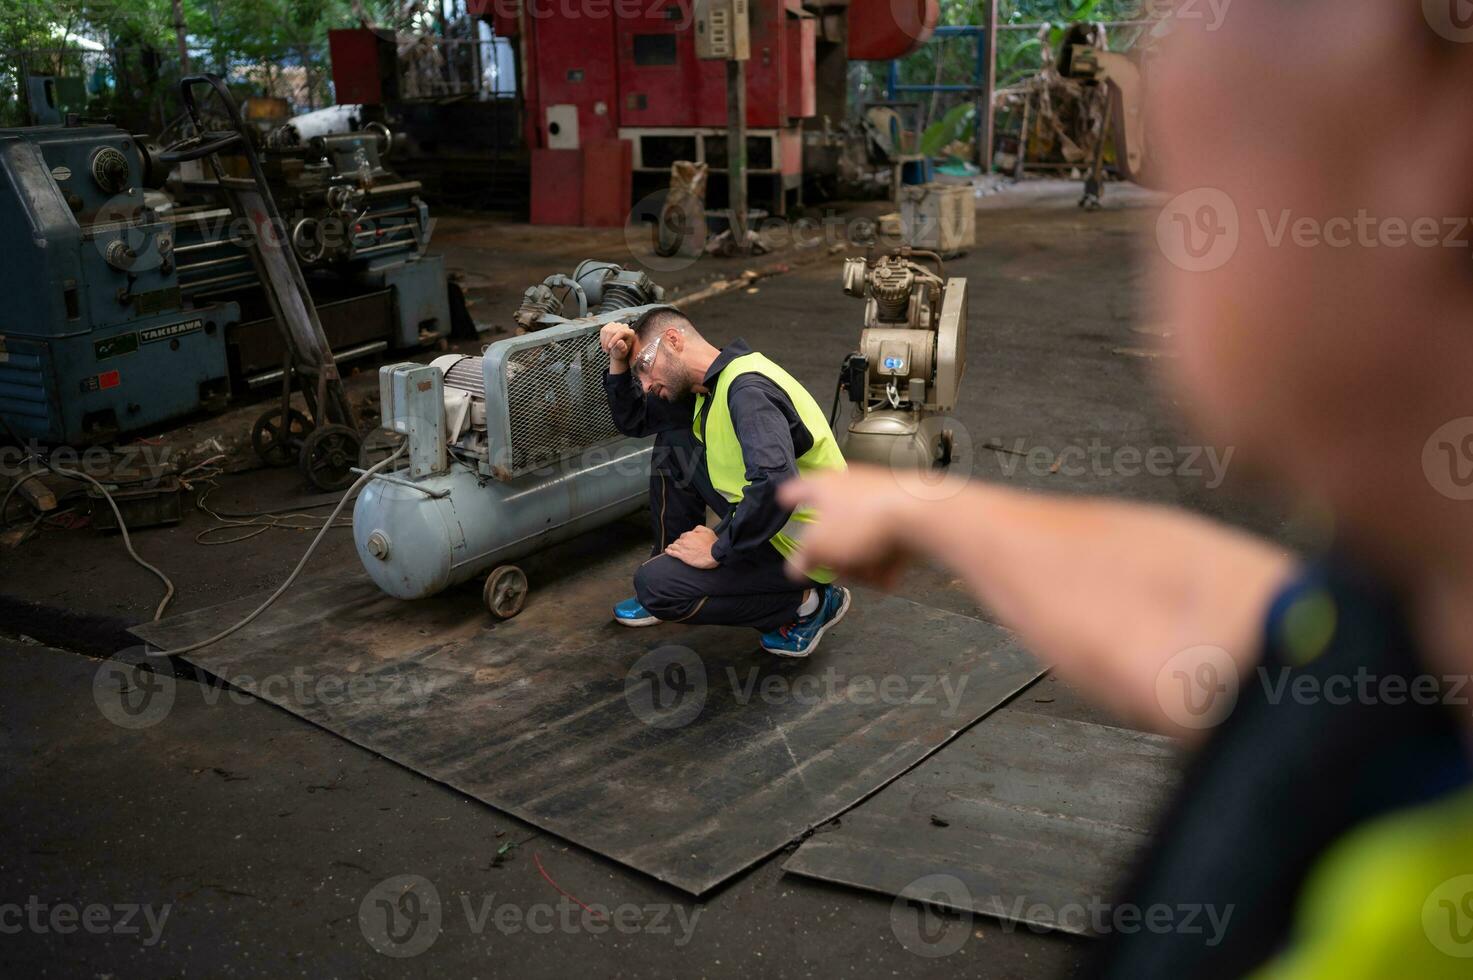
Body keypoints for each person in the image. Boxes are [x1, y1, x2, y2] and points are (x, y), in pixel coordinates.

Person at [778, 5, 1473, 978]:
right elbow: (1225, 613)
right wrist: (929, 509)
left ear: (1440, 130)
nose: (1171, 65)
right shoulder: (1419, 606)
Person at [598, 306, 850, 657]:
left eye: (644, 367)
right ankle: (672, 557)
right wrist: (620, 360)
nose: (644, 384)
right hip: (771, 524)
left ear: (673, 341)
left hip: (807, 546)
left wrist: (718, 548)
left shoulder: (747, 391)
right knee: (675, 440)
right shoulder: (709, 386)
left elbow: (777, 484)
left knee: (655, 588)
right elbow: (634, 420)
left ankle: (808, 602)